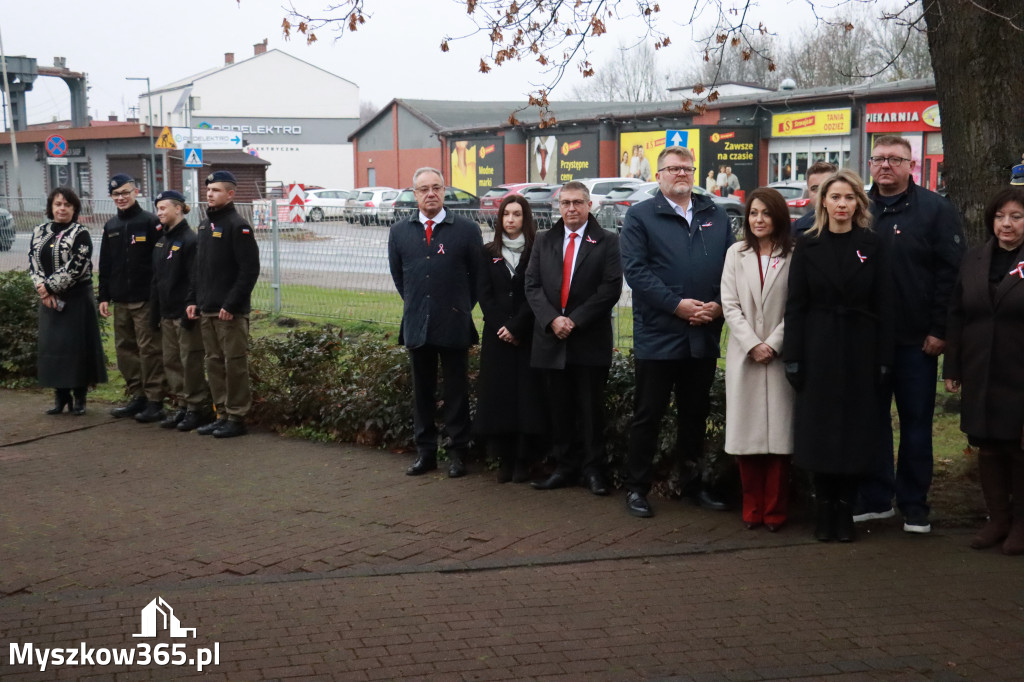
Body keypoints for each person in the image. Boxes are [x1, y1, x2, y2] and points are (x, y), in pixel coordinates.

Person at [856, 134, 966, 534]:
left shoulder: (935, 211)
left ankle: (915, 504)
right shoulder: (857, 207)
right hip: (868, 340)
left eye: (894, 159)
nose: (885, 165)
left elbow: (950, 275)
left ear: (910, 166)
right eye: (879, 158)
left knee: (916, 424)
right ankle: (876, 497)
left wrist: (940, 330)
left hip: (917, 342)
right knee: (872, 422)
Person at [619, 146, 734, 518]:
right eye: (672, 169)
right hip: (659, 334)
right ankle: (636, 487)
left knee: (694, 415)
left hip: (702, 332)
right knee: (648, 414)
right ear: (658, 175)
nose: (680, 174)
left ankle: (692, 484)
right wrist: (676, 305)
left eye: (686, 168)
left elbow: (731, 266)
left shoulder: (714, 214)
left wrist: (717, 304)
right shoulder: (640, 216)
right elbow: (636, 272)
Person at [784, 169, 894, 542]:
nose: (842, 204)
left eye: (849, 198)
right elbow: (795, 306)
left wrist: (883, 357)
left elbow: (885, 305)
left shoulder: (873, 245)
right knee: (819, 429)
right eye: (835, 197)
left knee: (854, 430)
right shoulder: (807, 245)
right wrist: (794, 356)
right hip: (818, 345)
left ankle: (845, 509)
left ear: (859, 204)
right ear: (823, 202)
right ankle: (824, 507)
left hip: (860, 347)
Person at [525, 180, 622, 496]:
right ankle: (565, 467)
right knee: (559, 408)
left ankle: (594, 471)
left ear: (589, 205)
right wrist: (553, 319)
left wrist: (574, 321)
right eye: (565, 203)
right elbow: (532, 285)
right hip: (551, 340)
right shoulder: (544, 240)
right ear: (558, 206)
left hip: (588, 339)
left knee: (590, 410)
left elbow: (610, 288)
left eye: (577, 202)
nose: (571, 208)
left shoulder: (607, 241)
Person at [943, 187, 1024, 555]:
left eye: (1016, 217)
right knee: (987, 446)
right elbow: (957, 314)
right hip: (980, 370)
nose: (1006, 224)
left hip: (1017, 371)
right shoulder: (974, 259)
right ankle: (998, 519)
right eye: (1000, 217)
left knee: (1017, 447)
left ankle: (1021, 524)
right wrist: (954, 365)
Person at [388, 167, 482, 477]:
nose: (431, 193)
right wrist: (419, 304)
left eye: (437, 188)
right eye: (424, 189)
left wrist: (460, 308)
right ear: (414, 194)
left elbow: (477, 277)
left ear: (445, 191)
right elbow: (401, 277)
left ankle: (457, 453)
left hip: (453, 323)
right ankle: (425, 453)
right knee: (422, 392)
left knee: (456, 392)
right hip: (418, 323)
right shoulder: (400, 232)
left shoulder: (467, 230)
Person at [721, 188, 796, 531]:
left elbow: (796, 305)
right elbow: (730, 304)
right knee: (747, 437)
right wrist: (752, 343)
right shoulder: (736, 253)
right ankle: (751, 508)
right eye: (753, 213)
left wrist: (774, 343)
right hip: (746, 355)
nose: (759, 220)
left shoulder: (794, 254)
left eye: (766, 213)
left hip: (779, 357)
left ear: (778, 216)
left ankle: (776, 511)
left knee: (779, 439)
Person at [475, 195, 546, 483]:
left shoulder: (536, 251)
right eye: (506, 214)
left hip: (527, 336)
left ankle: (523, 460)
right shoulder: (488, 251)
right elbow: (484, 294)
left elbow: (538, 291)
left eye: (517, 214)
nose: (511, 220)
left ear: (525, 218)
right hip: (497, 338)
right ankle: (503, 459)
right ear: (500, 218)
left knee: (527, 399)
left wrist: (517, 327)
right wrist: (502, 327)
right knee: (499, 398)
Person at [185, 170, 260, 439]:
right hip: (207, 309)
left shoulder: (237, 226)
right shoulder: (205, 226)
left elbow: (249, 270)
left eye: (216, 190)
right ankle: (221, 414)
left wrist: (231, 303)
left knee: (234, 364)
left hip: (230, 312)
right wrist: (193, 299)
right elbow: (199, 269)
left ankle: (237, 416)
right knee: (214, 363)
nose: (209, 194)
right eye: (208, 190)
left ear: (231, 194)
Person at [28, 187, 107, 414]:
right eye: (58, 204)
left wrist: (51, 287)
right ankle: (60, 397)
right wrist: (43, 291)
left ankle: (80, 398)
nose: (62, 209)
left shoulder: (80, 233)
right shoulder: (40, 231)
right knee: (54, 349)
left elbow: (77, 264)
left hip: (76, 299)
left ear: (74, 208)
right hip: (49, 301)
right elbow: (33, 261)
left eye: (67, 205)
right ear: (51, 207)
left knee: (76, 349)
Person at [98, 174, 165, 422]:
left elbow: (160, 262)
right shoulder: (111, 226)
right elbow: (105, 264)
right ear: (111, 198)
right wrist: (103, 295)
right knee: (125, 350)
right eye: (116, 194)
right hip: (120, 300)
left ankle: (155, 400)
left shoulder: (150, 222)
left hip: (145, 299)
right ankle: (137, 396)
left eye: (125, 192)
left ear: (136, 192)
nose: (121, 198)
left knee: (149, 350)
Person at [150, 190, 213, 432]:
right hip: (166, 314)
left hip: (184, 313)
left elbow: (194, 278)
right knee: (172, 362)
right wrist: (155, 313)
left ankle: (196, 408)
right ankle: (182, 405)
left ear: (178, 208)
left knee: (190, 361)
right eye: (157, 209)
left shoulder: (190, 240)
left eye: (164, 208)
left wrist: (191, 306)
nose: (159, 213)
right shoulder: (161, 240)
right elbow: (156, 280)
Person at [792, 161, 837, 235]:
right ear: (808, 191)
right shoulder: (795, 230)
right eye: (815, 189)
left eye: (827, 187)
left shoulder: (859, 228)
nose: (820, 193)